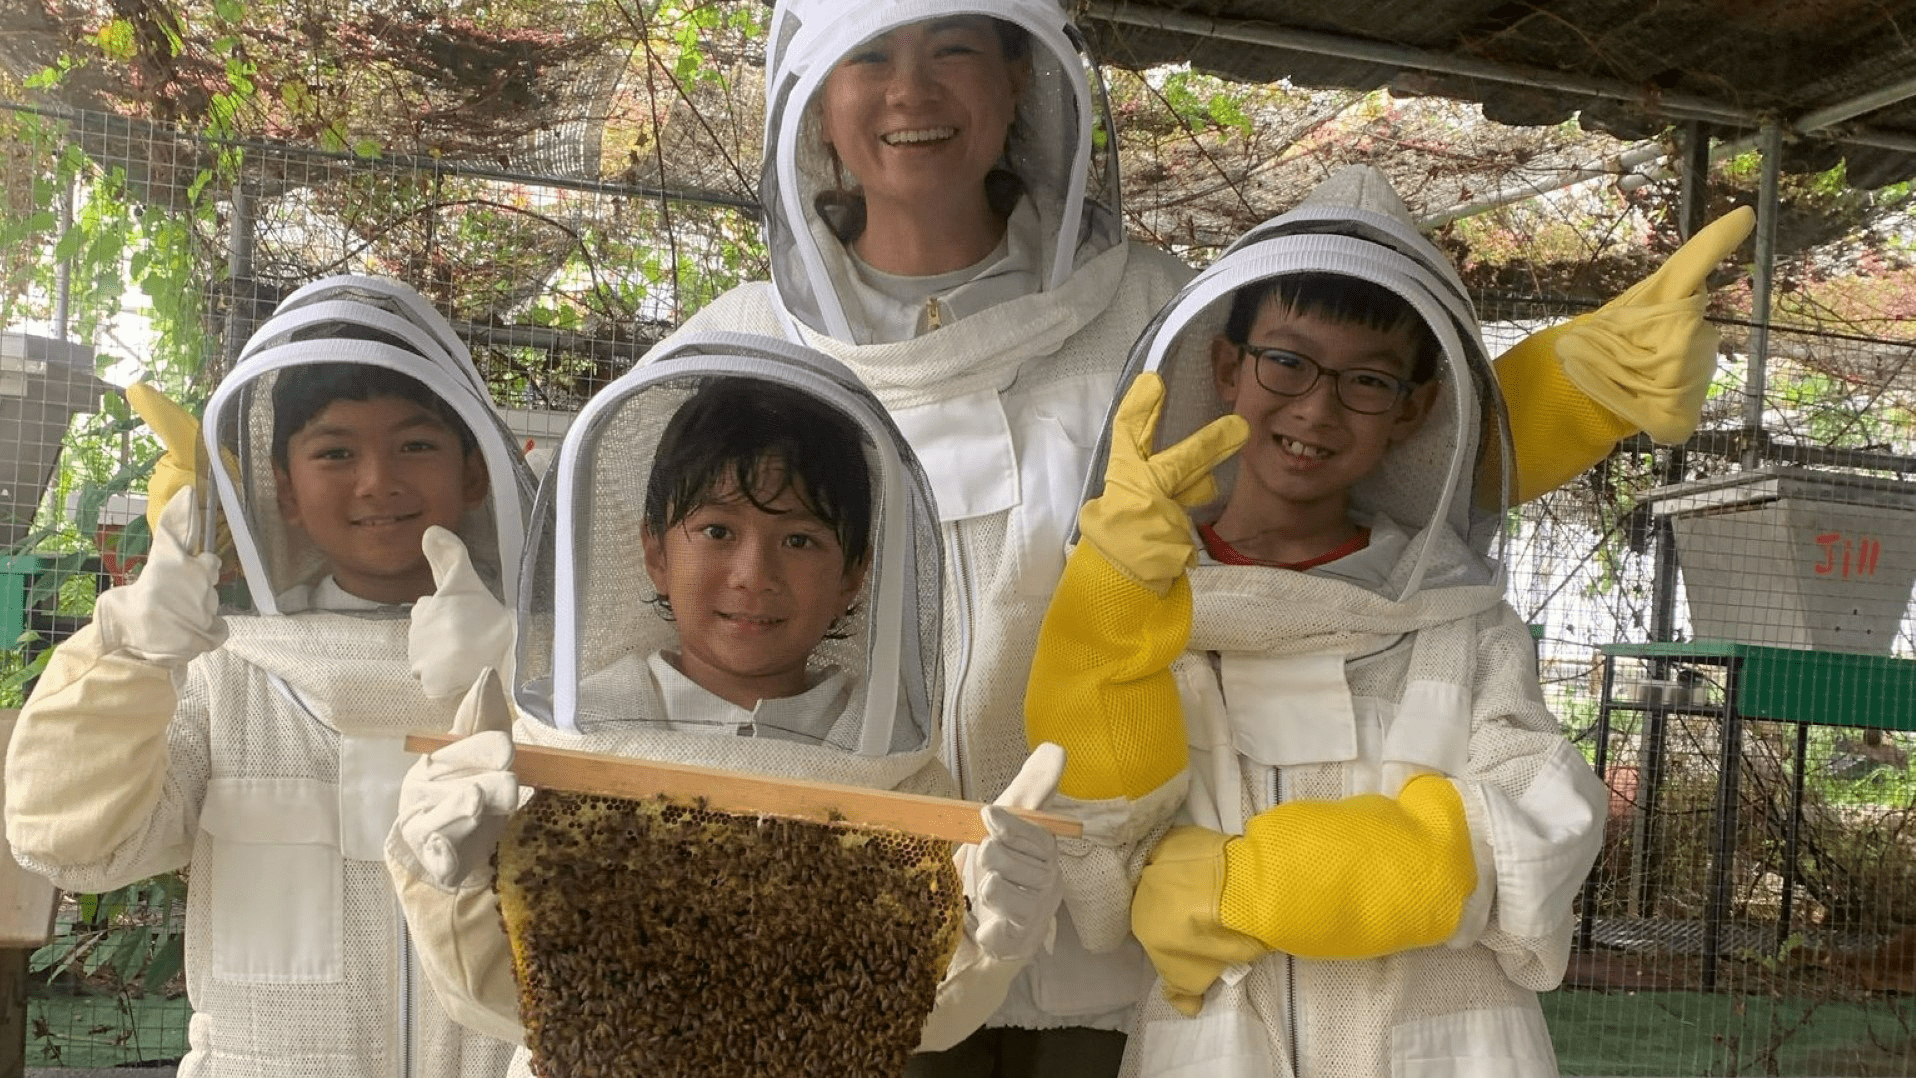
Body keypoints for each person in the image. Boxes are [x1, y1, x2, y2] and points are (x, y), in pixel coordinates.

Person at [658, 0, 1749, 1068]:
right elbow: (635, 622)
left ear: (1024, 76)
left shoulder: (1153, 311)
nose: (911, 91)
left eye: (953, 47)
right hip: (850, 925)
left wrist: (1557, 397)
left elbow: (1340, 471)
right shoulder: (734, 345)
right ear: (812, 95)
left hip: (1125, 950)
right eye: (869, 56)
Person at [1023, 165, 1626, 1077]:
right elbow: (1101, 857)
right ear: (1227, 367)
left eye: (1368, 380)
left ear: (1414, 409)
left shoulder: (1458, 619)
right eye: (1287, 360)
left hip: (1451, 1045)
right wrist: (1103, 622)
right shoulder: (1147, 607)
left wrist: (1269, 883)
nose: (1315, 407)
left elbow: (1543, 825)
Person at [384, 333, 1069, 1074]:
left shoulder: (894, 772)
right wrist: (452, 884)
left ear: (855, 575)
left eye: (799, 540)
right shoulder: (567, 741)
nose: (753, 573)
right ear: (655, 550)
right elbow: (496, 997)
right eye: (717, 531)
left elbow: (917, 1017)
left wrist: (987, 935)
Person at [4, 275, 536, 1077]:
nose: (377, 480)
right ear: (281, 488)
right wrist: (129, 655)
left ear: (475, 471)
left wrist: (520, 677)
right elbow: (78, 849)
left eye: (416, 445)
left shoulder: (549, 673)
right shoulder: (225, 671)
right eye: (335, 452)